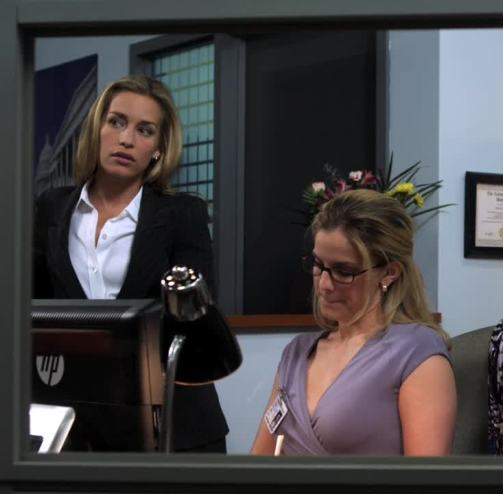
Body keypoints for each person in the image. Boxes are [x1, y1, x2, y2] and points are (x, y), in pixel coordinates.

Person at [33, 74, 229, 452]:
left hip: (174, 424)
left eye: (145, 130)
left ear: (158, 149)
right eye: (117, 122)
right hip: (79, 422)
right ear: (97, 130)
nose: (126, 139)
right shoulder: (51, 208)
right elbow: (34, 313)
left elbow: (199, 323)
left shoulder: (182, 213)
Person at [251, 189, 457, 456]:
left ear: (389, 273)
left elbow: (425, 477)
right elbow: (259, 462)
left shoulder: (415, 353)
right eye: (318, 265)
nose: (324, 285)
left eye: (344, 271)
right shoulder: (297, 353)